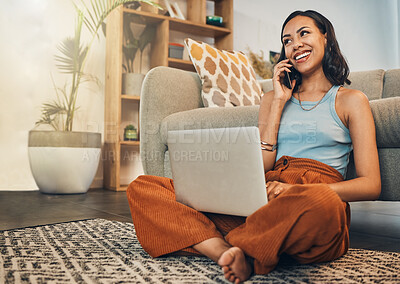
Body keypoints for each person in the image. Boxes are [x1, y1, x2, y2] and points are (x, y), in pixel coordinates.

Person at [126, 10, 381, 283]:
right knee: (144, 187)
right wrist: (279, 103)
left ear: (326, 37)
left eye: (304, 33)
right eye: (287, 40)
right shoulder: (273, 98)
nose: (295, 44)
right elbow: (262, 166)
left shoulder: (352, 100)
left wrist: (296, 190)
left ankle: (221, 238)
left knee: (322, 202)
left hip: (311, 200)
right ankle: (227, 251)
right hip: (266, 197)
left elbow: (371, 185)